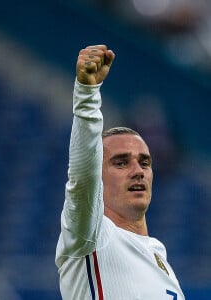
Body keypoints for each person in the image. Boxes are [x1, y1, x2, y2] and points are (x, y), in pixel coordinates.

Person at [55, 45, 185, 299]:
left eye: (145, 162)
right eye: (121, 162)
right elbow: (82, 177)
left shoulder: (158, 254)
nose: (138, 171)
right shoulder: (91, 236)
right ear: (98, 179)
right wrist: (86, 95)